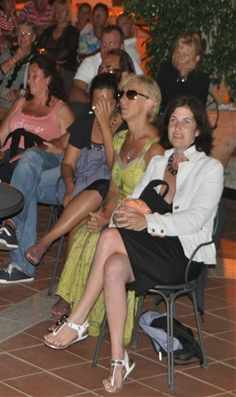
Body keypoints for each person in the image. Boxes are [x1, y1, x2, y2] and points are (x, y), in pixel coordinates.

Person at [44, 95, 222, 393]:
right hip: (148, 247)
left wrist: (148, 220)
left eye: (186, 122)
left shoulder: (210, 169)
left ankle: (78, 319)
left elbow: (195, 219)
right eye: (174, 120)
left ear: (198, 130)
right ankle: (118, 362)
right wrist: (126, 213)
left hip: (182, 256)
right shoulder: (159, 161)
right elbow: (131, 201)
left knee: (110, 237)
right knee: (113, 267)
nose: (178, 128)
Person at [52, 75, 164, 335]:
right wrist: (105, 212)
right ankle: (79, 310)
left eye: (131, 95)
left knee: (94, 239)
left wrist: (110, 219)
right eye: (122, 94)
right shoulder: (121, 139)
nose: (122, 99)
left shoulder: (155, 148)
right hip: (116, 214)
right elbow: (113, 186)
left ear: (150, 104)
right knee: (82, 232)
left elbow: (152, 204)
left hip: (140, 223)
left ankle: (83, 318)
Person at [0, 55, 75, 277]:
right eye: (29, 75)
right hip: (11, 160)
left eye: (35, 75)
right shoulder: (20, 103)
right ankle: (22, 266)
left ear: (48, 79)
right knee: (23, 181)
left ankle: (11, 226)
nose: (30, 80)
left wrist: (39, 149)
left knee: (29, 159)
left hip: (44, 159)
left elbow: (75, 148)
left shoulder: (61, 110)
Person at [23, 74, 126, 266]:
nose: (100, 109)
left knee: (80, 220)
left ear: (117, 103)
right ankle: (29, 261)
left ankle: (46, 242)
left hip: (111, 190)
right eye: (96, 103)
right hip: (81, 184)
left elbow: (114, 168)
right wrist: (69, 186)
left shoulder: (125, 126)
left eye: (107, 104)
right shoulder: (87, 119)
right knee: (28, 187)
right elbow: (68, 162)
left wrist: (104, 124)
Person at [70, 25, 143, 105]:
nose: (106, 48)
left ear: (122, 47)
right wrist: (97, 101)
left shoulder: (130, 64)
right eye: (103, 43)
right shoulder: (90, 62)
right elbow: (75, 91)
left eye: (111, 43)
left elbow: (143, 91)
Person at [0, 21, 37, 125]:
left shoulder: (36, 59)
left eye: (27, 34)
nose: (22, 37)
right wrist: (14, 59)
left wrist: (21, 92)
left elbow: (39, 87)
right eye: (20, 34)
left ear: (33, 37)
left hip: (16, 100)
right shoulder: (8, 52)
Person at [157, 32, 210, 112]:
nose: (179, 57)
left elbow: (188, 106)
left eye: (185, 54)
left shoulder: (201, 79)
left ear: (196, 58)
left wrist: (184, 76)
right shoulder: (166, 70)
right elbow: (159, 97)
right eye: (177, 53)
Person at [35, 0, 80, 86]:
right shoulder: (48, 31)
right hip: (46, 68)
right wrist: (52, 59)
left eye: (62, 10)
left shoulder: (73, 32)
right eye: (57, 10)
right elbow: (37, 49)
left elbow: (64, 53)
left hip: (64, 70)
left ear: (67, 13)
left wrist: (46, 52)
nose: (59, 13)